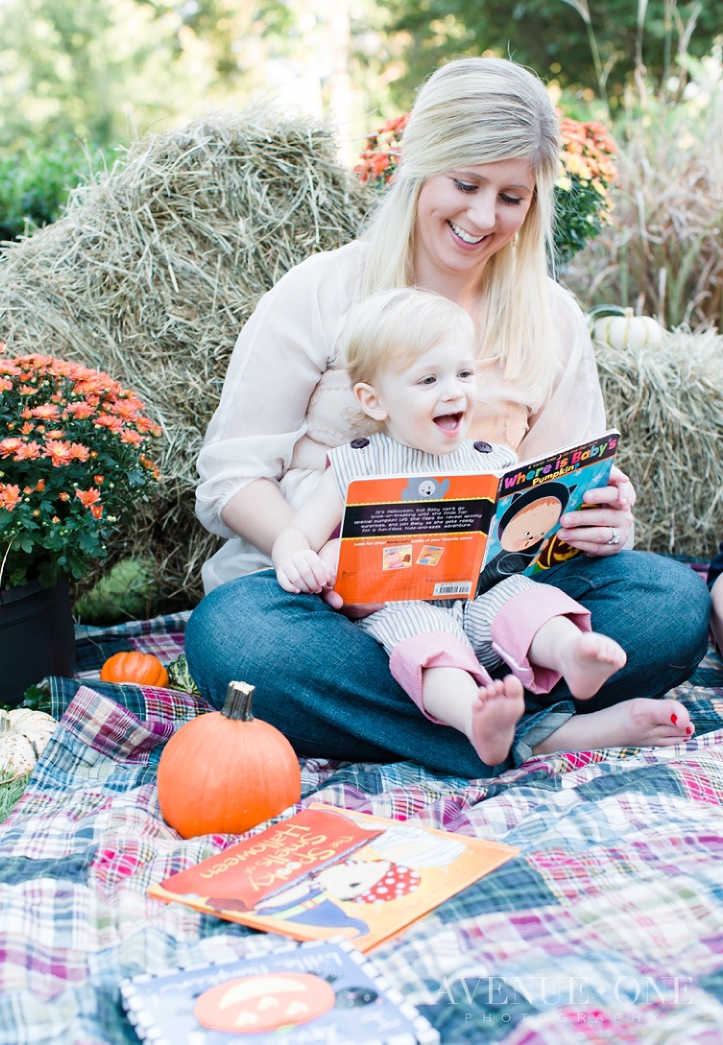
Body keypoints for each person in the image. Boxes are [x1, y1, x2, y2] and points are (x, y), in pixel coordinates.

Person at [185, 56, 710, 777]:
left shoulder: (551, 317)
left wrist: (603, 522)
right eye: (465, 184)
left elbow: (552, 492)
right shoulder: (322, 289)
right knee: (238, 640)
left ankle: (479, 718)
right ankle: (541, 732)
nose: (481, 217)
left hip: (491, 606)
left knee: (671, 602)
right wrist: (298, 553)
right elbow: (231, 475)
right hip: (333, 614)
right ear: (419, 164)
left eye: (510, 197)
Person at [271, 287, 627, 766]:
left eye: (464, 373)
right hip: (401, 604)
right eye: (428, 380)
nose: (455, 391)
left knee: (525, 600)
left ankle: (571, 654)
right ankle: (476, 719)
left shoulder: (493, 462)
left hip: (481, 594)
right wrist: (296, 560)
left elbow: (518, 536)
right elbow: (298, 534)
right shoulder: (357, 466)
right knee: (427, 647)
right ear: (374, 400)